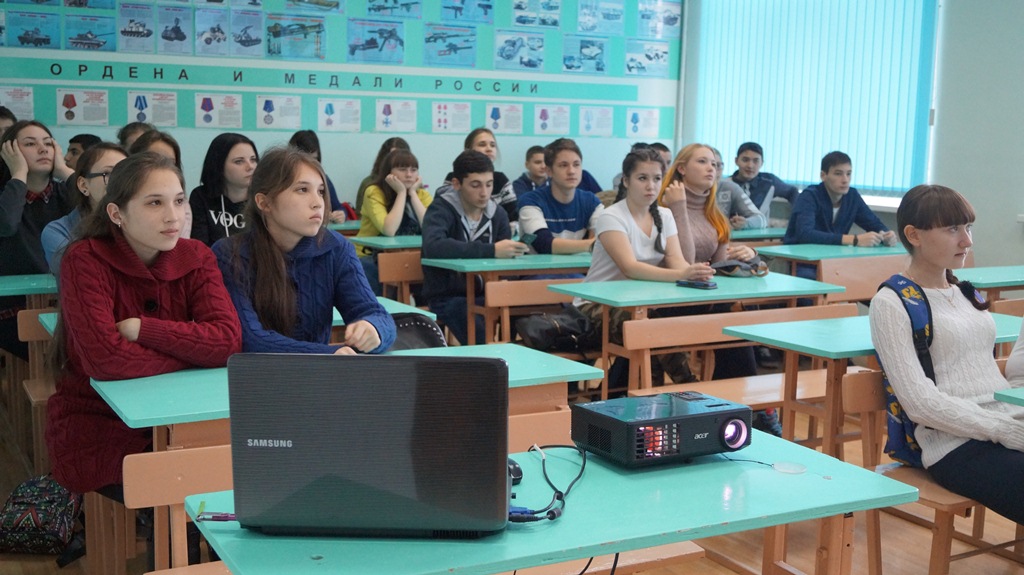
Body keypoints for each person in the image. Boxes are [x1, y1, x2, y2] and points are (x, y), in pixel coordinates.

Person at [46, 152, 242, 497]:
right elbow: (106, 361)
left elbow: (227, 341)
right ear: (116, 213)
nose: (174, 216)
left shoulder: (197, 256)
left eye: (179, 201)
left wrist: (144, 330)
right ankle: (173, 548)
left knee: (222, 470)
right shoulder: (84, 259)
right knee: (180, 481)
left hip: (184, 414)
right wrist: (194, 353)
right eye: (155, 203)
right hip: (100, 423)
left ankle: (186, 548)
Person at [871, 184, 1024, 524]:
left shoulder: (963, 292)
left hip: (1004, 424)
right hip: (955, 444)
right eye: (952, 229)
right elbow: (920, 403)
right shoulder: (892, 302)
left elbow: (992, 375)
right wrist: (1005, 430)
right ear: (914, 235)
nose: (967, 241)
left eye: (968, 228)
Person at [214, 146, 395, 355]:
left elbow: (375, 313)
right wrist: (328, 354)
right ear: (265, 202)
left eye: (320, 191)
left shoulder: (336, 248)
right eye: (302, 190)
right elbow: (250, 339)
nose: (318, 203)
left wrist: (374, 330)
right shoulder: (229, 255)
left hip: (319, 379)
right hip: (254, 380)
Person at [660, 143, 781, 435]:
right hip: (666, 303)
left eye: (714, 163)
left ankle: (736, 410)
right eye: (702, 162)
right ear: (681, 168)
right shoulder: (664, 207)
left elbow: (721, 267)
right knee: (733, 321)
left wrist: (752, 258)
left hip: (703, 300)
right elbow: (685, 261)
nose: (711, 168)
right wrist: (678, 207)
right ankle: (746, 411)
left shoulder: (713, 212)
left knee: (736, 323)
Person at [576, 148, 707, 376]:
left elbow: (675, 258)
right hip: (596, 306)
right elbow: (630, 268)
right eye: (642, 178)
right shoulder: (611, 217)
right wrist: (681, 274)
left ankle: (661, 398)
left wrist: (693, 271)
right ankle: (688, 388)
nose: (651, 186)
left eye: (657, 179)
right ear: (626, 181)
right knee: (652, 330)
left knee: (658, 330)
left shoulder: (664, 216)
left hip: (639, 303)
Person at [421, 150, 527, 345]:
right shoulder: (440, 209)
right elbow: (434, 246)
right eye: (475, 185)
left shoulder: (498, 214)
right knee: (476, 329)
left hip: (486, 293)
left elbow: (507, 259)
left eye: (489, 184)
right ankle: (487, 369)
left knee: (527, 312)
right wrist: (491, 250)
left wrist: (506, 279)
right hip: (448, 296)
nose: (484, 193)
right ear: (457, 184)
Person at [0, 120, 74, 360]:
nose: (43, 149)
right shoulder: (6, 197)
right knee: (50, 349)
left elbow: (101, 211)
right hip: (12, 309)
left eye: (48, 143)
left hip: (66, 303)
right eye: (30, 144)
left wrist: (64, 171)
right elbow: (7, 224)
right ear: (10, 152)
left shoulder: (65, 194)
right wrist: (18, 175)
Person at [42, 142, 128, 281]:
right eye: (108, 173)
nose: (119, 182)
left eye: (125, 175)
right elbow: (82, 274)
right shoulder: (58, 231)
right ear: (83, 185)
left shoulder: (142, 224)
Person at [355, 149, 432, 296]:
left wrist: (413, 194)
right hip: (370, 256)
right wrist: (401, 193)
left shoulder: (422, 194)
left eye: (413, 170)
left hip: (409, 256)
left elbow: (430, 228)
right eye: (402, 169)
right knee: (377, 273)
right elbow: (389, 230)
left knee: (429, 271)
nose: (409, 174)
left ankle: (420, 316)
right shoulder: (374, 192)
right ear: (388, 173)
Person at [783, 151, 897, 247]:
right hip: (801, 259)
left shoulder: (852, 196)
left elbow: (874, 224)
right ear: (823, 175)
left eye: (849, 174)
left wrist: (886, 234)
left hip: (832, 257)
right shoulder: (809, 196)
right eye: (838, 174)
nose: (845, 180)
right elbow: (805, 234)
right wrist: (855, 240)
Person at [518, 138, 603, 255]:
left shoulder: (592, 202)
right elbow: (544, 244)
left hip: (578, 270)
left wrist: (595, 244)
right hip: (537, 271)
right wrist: (591, 244)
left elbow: (600, 241)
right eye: (563, 165)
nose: (572, 171)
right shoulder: (530, 201)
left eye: (576, 165)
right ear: (549, 171)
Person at [189, 133, 259, 246]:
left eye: (253, 159)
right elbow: (200, 247)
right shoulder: (201, 196)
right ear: (218, 165)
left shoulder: (263, 198)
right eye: (239, 161)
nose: (250, 166)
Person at [435, 128, 518, 222]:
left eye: (493, 145)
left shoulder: (501, 180)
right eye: (482, 144)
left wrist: (510, 228)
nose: (489, 149)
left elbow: (513, 217)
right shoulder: (453, 177)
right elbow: (443, 212)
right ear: (468, 151)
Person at [726, 142, 799, 223]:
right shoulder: (726, 184)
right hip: (731, 231)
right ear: (736, 161)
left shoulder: (769, 182)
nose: (750, 165)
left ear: (762, 163)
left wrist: (797, 218)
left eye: (756, 161)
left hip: (760, 233)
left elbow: (793, 191)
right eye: (745, 160)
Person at [288, 129, 347, 224]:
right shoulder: (283, 181)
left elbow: (338, 207)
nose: (310, 165)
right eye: (304, 159)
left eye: (314, 159)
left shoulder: (323, 180)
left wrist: (341, 214)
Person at [710, 146, 766, 229]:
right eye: (703, 163)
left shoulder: (729, 188)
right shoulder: (684, 190)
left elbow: (761, 219)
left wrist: (745, 223)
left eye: (718, 165)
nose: (713, 170)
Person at [356, 136, 410, 214]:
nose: (397, 161)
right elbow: (359, 214)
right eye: (392, 157)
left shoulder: (412, 183)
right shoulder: (369, 183)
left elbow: (427, 220)